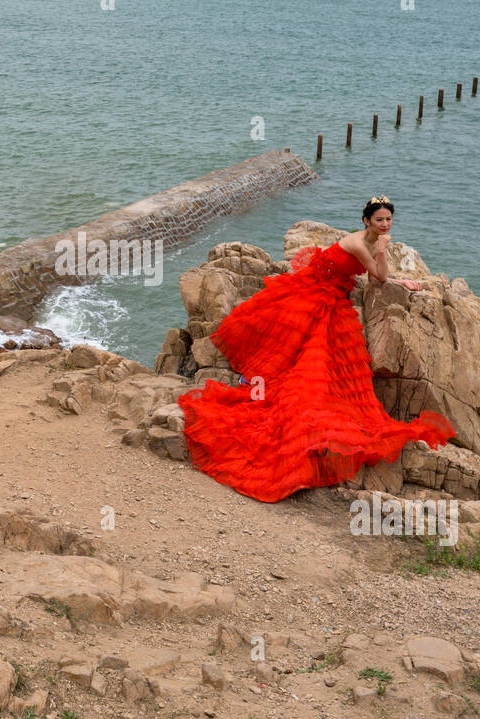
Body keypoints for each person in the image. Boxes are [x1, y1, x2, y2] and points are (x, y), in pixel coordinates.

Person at [178, 195, 456, 502]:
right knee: (306, 345)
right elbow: (379, 276)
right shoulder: (360, 243)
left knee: (320, 349)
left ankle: (259, 380)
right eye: (379, 220)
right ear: (366, 221)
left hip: (334, 285)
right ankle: (257, 380)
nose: (385, 224)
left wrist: (397, 277)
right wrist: (382, 251)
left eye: (389, 219)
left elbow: (381, 277)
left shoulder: (367, 241)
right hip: (320, 286)